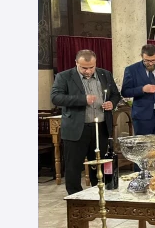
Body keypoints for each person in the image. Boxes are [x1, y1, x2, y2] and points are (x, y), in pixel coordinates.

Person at [51, 50, 122, 195]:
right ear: (76, 63)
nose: (88, 71)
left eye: (91, 67)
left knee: (100, 164)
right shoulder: (64, 76)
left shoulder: (105, 74)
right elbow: (56, 98)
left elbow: (115, 94)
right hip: (76, 129)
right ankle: (75, 197)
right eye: (84, 68)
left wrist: (112, 103)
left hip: (100, 128)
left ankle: (101, 194)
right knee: (73, 166)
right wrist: (83, 99)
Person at [120, 44, 155, 168]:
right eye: (147, 61)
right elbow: (125, 91)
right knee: (141, 150)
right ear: (141, 56)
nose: (150, 63)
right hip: (142, 117)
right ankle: (140, 175)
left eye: (153, 60)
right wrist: (142, 89)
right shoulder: (131, 70)